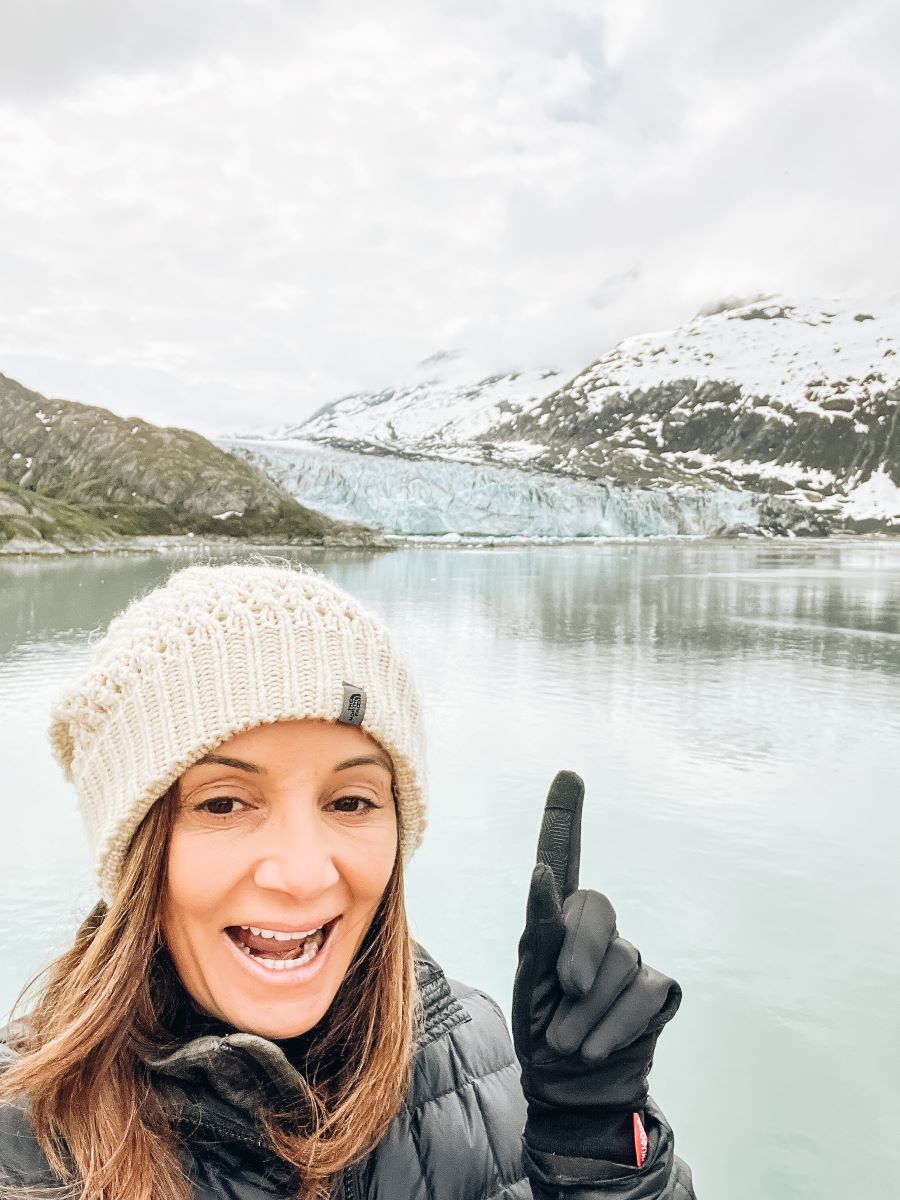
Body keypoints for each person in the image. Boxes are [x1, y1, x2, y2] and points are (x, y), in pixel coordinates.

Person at [0, 562, 695, 1200]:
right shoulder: (21, 1137)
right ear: (134, 849)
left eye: (351, 802)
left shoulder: (498, 1060)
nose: (303, 874)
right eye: (223, 804)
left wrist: (598, 1150)